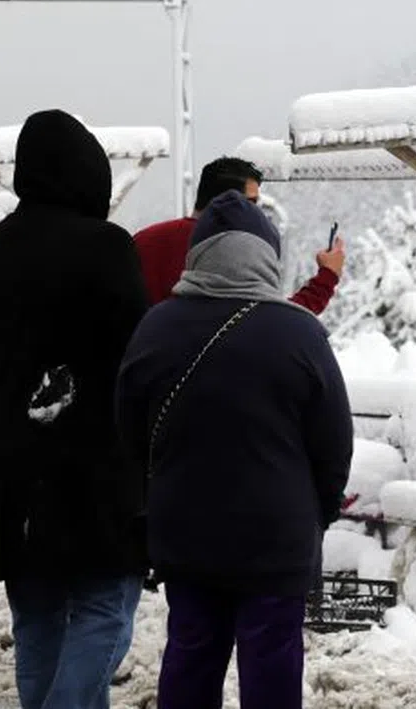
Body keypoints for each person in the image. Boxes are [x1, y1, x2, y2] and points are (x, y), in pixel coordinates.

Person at [116, 192, 353, 709]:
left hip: (185, 531)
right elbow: (334, 439)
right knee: (271, 663)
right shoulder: (299, 333)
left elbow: (128, 431)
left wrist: (151, 502)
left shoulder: (155, 327)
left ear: (198, 255)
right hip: (276, 534)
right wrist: (320, 512)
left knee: (192, 653)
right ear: (266, 257)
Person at [0, 110, 149, 709]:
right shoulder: (106, 248)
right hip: (94, 470)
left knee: (38, 623)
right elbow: (141, 358)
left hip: (12, 475)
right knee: (107, 607)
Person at [132, 156, 345, 311]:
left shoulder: (143, 241)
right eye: (251, 203)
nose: (257, 213)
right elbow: (269, 321)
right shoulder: (230, 254)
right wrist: (327, 277)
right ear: (229, 202)